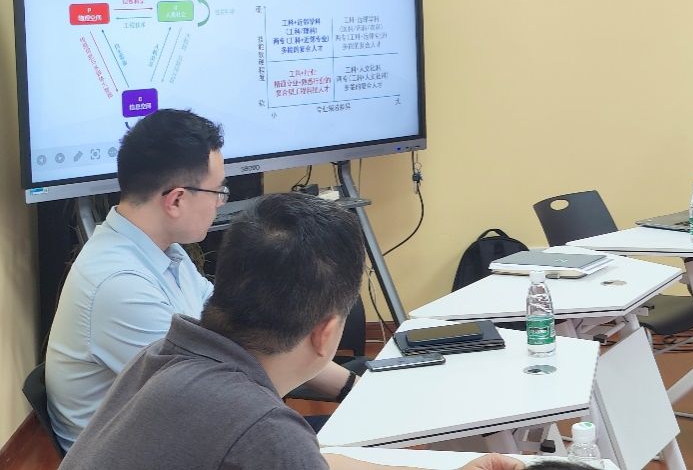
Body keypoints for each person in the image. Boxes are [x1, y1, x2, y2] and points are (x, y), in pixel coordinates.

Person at [59, 192, 523, 470]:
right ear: (326, 334)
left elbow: (311, 461)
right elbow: (287, 453)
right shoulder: (259, 427)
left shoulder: (163, 356)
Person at [47, 109, 354, 450]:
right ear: (176, 199)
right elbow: (213, 396)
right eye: (218, 190)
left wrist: (352, 387)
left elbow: (246, 336)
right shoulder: (120, 285)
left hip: (187, 426)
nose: (220, 202)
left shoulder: (162, 250)